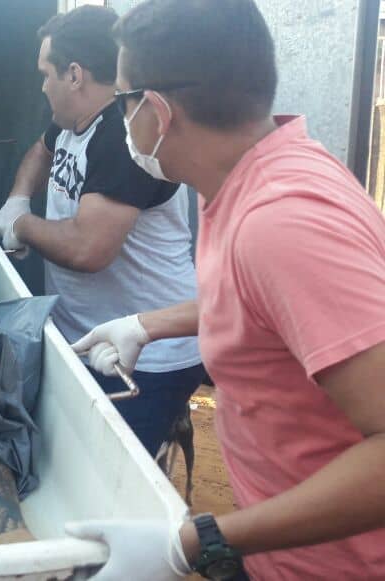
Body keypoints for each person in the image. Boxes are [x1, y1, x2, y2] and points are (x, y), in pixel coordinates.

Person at [65, 1, 385, 579]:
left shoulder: (282, 223)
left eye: (123, 101)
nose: (120, 118)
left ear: (157, 112)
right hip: (282, 549)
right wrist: (148, 324)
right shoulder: (245, 177)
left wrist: (196, 541)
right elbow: (268, 305)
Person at [0, 5, 203, 457]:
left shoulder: (125, 137)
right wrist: (18, 199)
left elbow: (88, 249)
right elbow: (41, 151)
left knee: (113, 472)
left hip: (145, 355)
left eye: (45, 74)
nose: (42, 86)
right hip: (91, 338)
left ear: (74, 75)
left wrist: (23, 226)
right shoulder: (73, 120)